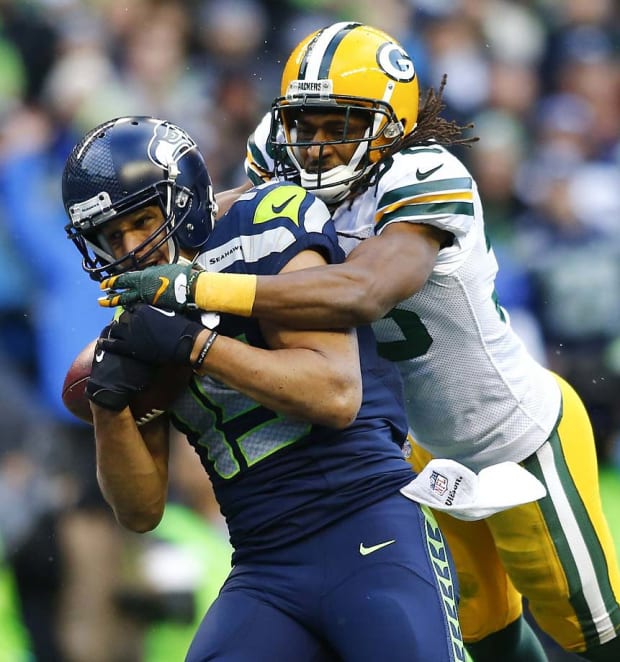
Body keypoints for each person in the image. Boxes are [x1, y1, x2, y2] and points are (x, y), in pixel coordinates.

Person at [101, 24, 620, 662]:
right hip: (419, 452)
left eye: (340, 125)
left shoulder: (423, 171)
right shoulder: (275, 156)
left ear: (390, 124)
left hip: (512, 431)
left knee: (593, 634)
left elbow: (364, 291)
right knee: (486, 633)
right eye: (305, 125)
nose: (316, 146)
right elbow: (212, 216)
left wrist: (200, 290)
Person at [61, 115, 465, 662]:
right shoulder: (140, 319)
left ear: (181, 201)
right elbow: (140, 512)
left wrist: (196, 344)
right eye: (113, 236)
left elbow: (334, 394)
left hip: (367, 520)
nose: (132, 247)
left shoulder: (260, 225)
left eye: (143, 220)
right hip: (265, 565)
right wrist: (108, 406)